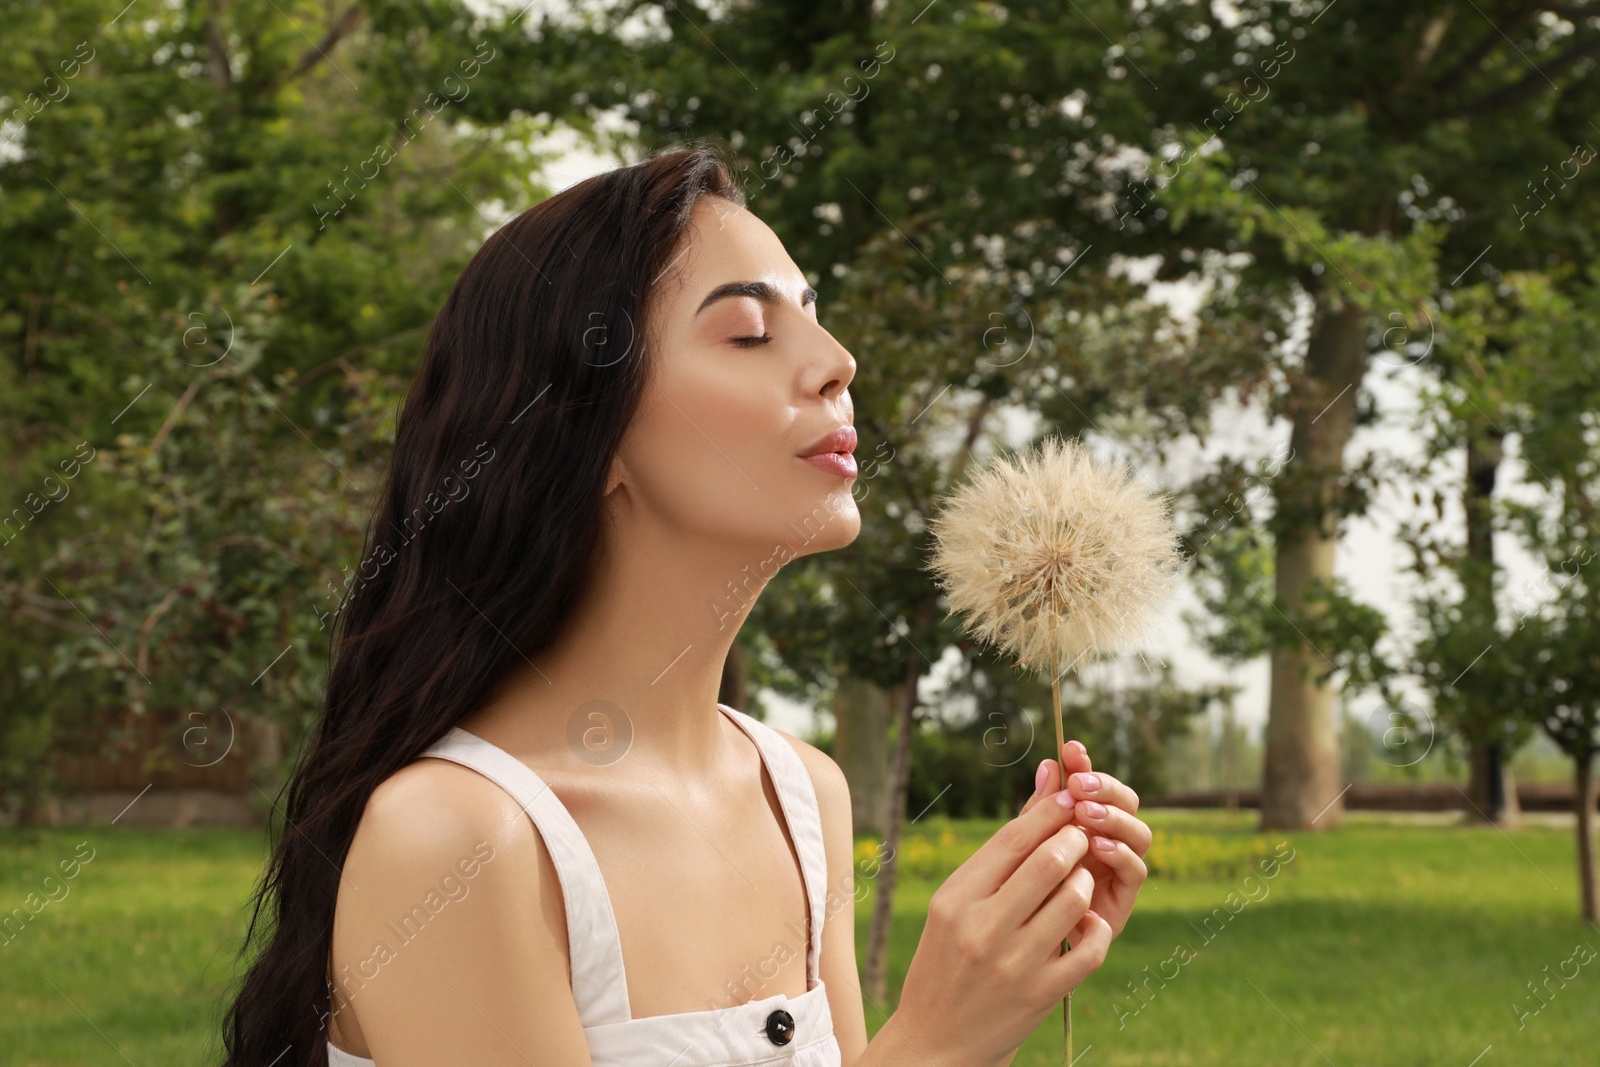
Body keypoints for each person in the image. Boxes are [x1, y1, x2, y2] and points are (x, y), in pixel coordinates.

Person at [221, 144, 1152, 1067]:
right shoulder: (456, 840)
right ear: (591, 434)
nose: (837, 362)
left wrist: (997, 996)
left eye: (815, 317)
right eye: (750, 331)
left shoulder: (801, 797)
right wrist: (940, 1039)